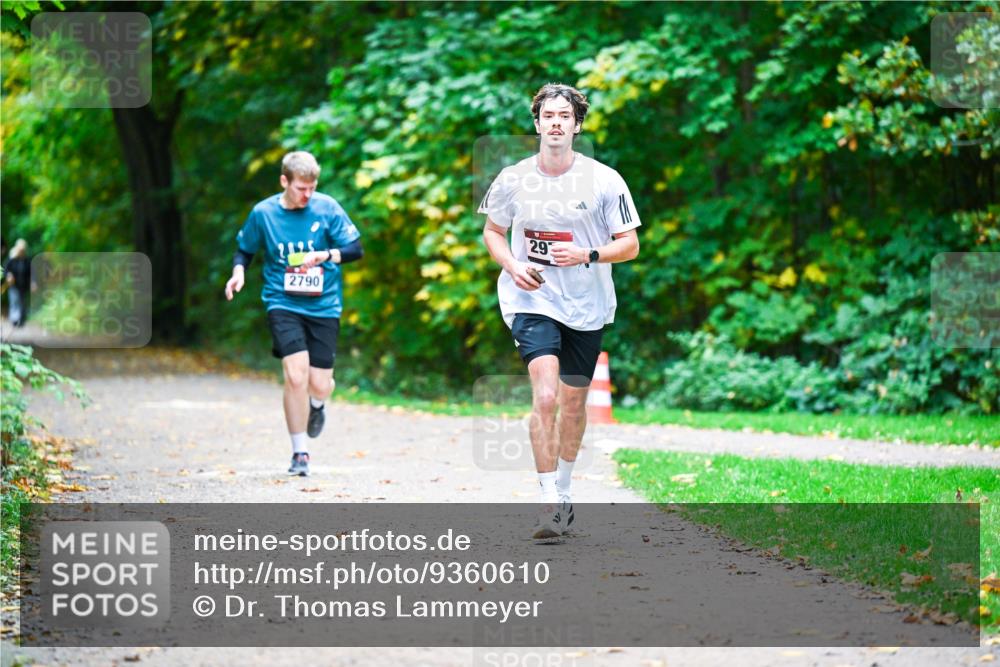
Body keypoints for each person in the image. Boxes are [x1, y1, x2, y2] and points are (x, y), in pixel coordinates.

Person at [480, 84, 641, 538]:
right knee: (546, 397)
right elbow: (494, 231)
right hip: (532, 299)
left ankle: (565, 492)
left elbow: (630, 245)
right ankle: (548, 499)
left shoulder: (604, 180)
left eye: (563, 116)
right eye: (547, 115)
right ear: (536, 124)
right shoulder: (512, 178)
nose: (555, 122)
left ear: (576, 125)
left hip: (587, 305)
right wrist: (512, 266)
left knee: (573, 405)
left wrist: (588, 254)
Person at [225, 151, 363, 477]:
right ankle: (300, 452)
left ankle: (317, 406)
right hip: (282, 301)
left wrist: (325, 255)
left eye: (312, 187)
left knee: (320, 383)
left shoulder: (327, 208)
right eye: (301, 188)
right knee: (295, 375)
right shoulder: (264, 213)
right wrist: (238, 272)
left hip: (324, 304)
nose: (307, 195)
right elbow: (244, 249)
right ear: (284, 181)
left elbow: (356, 249)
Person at [4, 239, 33, 327]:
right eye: (20, 249)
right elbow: (5, 269)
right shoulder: (12, 259)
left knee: (22, 303)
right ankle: (14, 320)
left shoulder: (27, 260)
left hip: (24, 286)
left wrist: (33, 282)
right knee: (14, 301)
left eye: (23, 250)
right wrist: (8, 275)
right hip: (13, 285)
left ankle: (21, 319)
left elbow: (32, 272)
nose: (22, 251)